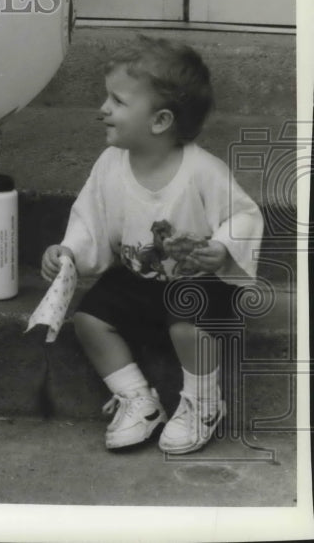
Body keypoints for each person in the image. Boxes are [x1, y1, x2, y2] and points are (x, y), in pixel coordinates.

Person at [41, 41, 263, 454]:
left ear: (160, 120)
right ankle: (138, 399)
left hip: (198, 283)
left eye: (117, 101)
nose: (102, 108)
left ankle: (203, 402)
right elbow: (91, 218)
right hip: (139, 279)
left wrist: (223, 248)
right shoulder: (110, 164)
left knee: (187, 318)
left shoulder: (202, 171)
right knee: (90, 318)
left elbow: (245, 216)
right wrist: (69, 251)